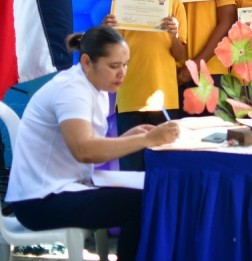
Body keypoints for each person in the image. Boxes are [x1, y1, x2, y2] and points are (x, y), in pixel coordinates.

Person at [5, 26, 179, 261]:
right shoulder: (71, 90)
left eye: (125, 64)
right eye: (114, 66)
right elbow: (84, 150)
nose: (122, 73)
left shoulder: (94, 86)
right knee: (145, 203)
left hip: (66, 186)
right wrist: (145, 139)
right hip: (40, 200)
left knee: (155, 192)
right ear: (87, 62)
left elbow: (88, 145)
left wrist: (127, 139)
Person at [102, 0, 187, 170]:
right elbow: (111, 54)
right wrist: (107, 31)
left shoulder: (175, 6)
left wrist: (174, 34)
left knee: (166, 166)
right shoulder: (121, 4)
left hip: (164, 98)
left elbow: (180, 55)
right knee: (132, 167)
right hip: (129, 97)